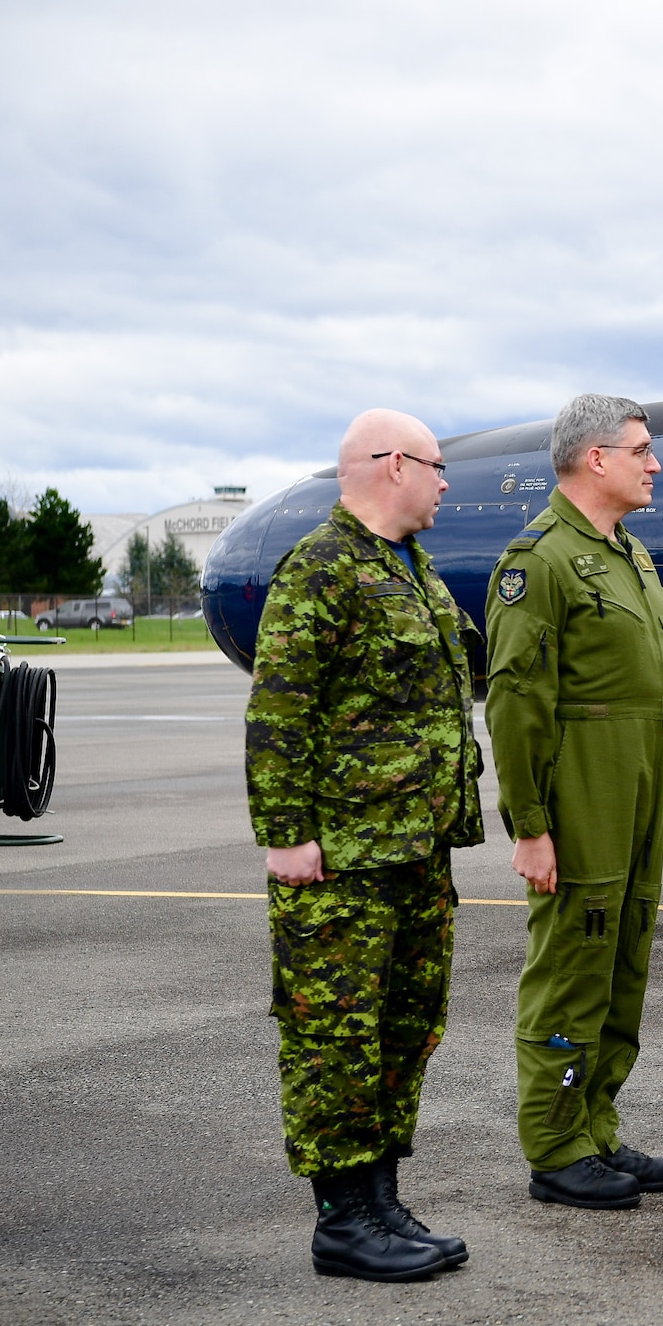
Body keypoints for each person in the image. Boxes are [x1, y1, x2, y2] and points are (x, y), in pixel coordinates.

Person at [246, 408, 483, 1281]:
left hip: (414, 849)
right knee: (335, 1033)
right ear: (390, 465)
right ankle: (342, 1217)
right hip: (341, 854)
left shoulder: (409, 567)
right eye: (435, 465)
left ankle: (380, 1197)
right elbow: (280, 711)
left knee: (404, 1024)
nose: (445, 481)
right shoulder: (320, 566)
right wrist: (286, 837)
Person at [484, 393, 663, 1210]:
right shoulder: (541, 561)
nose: (655, 462)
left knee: (624, 961)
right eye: (640, 449)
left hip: (634, 790)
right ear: (595, 458)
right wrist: (529, 824)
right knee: (571, 967)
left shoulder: (629, 554)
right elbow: (516, 701)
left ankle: (595, 1122)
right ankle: (556, 1142)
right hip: (583, 792)